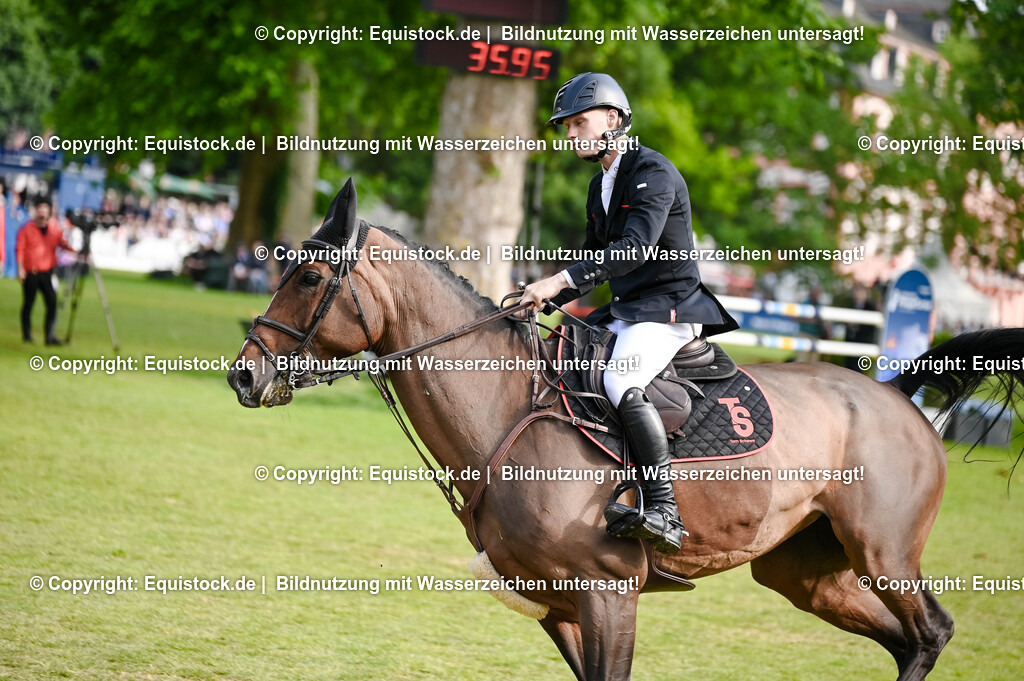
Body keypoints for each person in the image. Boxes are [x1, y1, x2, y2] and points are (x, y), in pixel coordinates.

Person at [520, 73, 738, 554]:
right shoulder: (601, 183)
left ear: (613, 119)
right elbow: (590, 259)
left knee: (620, 379)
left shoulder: (653, 173)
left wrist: (557, 282)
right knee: (557, 351)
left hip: (667, 311)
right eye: (567, 126)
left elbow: (634, 251)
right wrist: (539, 302)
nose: (571, 134)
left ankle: (663, 509)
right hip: (626, 310)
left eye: (580, 122)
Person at [16, 197, 74, 345]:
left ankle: (49, 336)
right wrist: (20, 268)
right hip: (32, 272)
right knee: (28, 303)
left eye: (45, 208)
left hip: (47, 272)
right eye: (39, 208)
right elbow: (20, 249)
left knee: (52, 302)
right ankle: (27, 335)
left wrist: (75, 247)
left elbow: (63, 244)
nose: (42, 211)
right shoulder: (27, 229)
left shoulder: (54, 229)